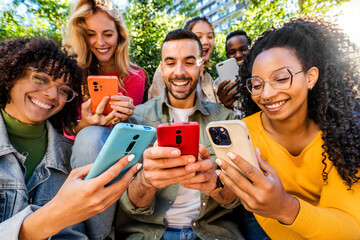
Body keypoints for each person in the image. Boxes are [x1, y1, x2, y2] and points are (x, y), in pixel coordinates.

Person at [215, 17, 360, 239]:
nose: (266, 94)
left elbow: (351, 228)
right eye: (256, 84)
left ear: (310, 77)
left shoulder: (345, 135)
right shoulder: (247, 133)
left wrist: (284, 207)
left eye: (281, 78)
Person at [109, 29, 247, 240]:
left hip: (214, 234)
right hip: (148, 234)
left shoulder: (226, 120)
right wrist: (146, 181)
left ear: (201, 67)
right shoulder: (136, 119)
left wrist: (215, 185)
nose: (179, 72)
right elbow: (129, 206)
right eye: (171, 62)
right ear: (162, 68)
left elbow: (234, 199)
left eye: (190, 62)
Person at [0, 37, 140, 239]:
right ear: (10, 75)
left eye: (64, 90)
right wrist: (51, 218)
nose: (51, 94)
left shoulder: (71, 154)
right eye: (41, 79)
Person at [64, 0, 146, 134]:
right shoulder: (73, 71)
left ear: (120, 35)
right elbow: (64, 130)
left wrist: (127, 117)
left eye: (108, 34)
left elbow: (129, 132)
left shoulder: (135, 76)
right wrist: (85, 124)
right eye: (91, 34)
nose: (101, 43)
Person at [148, 16, 217, 103]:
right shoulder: (166, 72)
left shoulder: (207, 77)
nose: (205, 42)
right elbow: (157, 109)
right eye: (198, 37)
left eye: (210, 37)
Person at [214, 30, 251, 109]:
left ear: (251, 49)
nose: (238, 55)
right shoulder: (218, 84)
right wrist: (225, 106)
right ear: (227, 56)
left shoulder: (260, 74)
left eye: (243, 49)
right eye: (232, 52)